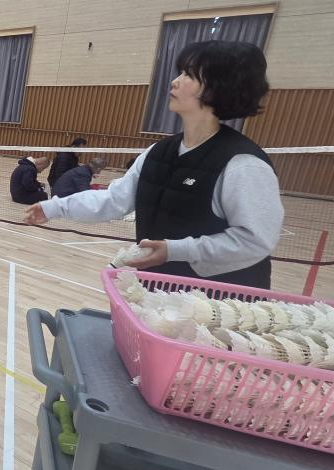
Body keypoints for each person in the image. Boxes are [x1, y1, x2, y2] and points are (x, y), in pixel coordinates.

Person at [24, 41, 283, 289]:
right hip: (160, 293)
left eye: (188, 75)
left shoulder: (244, 164)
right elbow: (114, 200)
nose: (175, 81)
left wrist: (176, 250)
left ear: (218, 87)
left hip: (222, 302)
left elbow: (255, 241)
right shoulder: (157, 152)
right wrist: (53, 207)